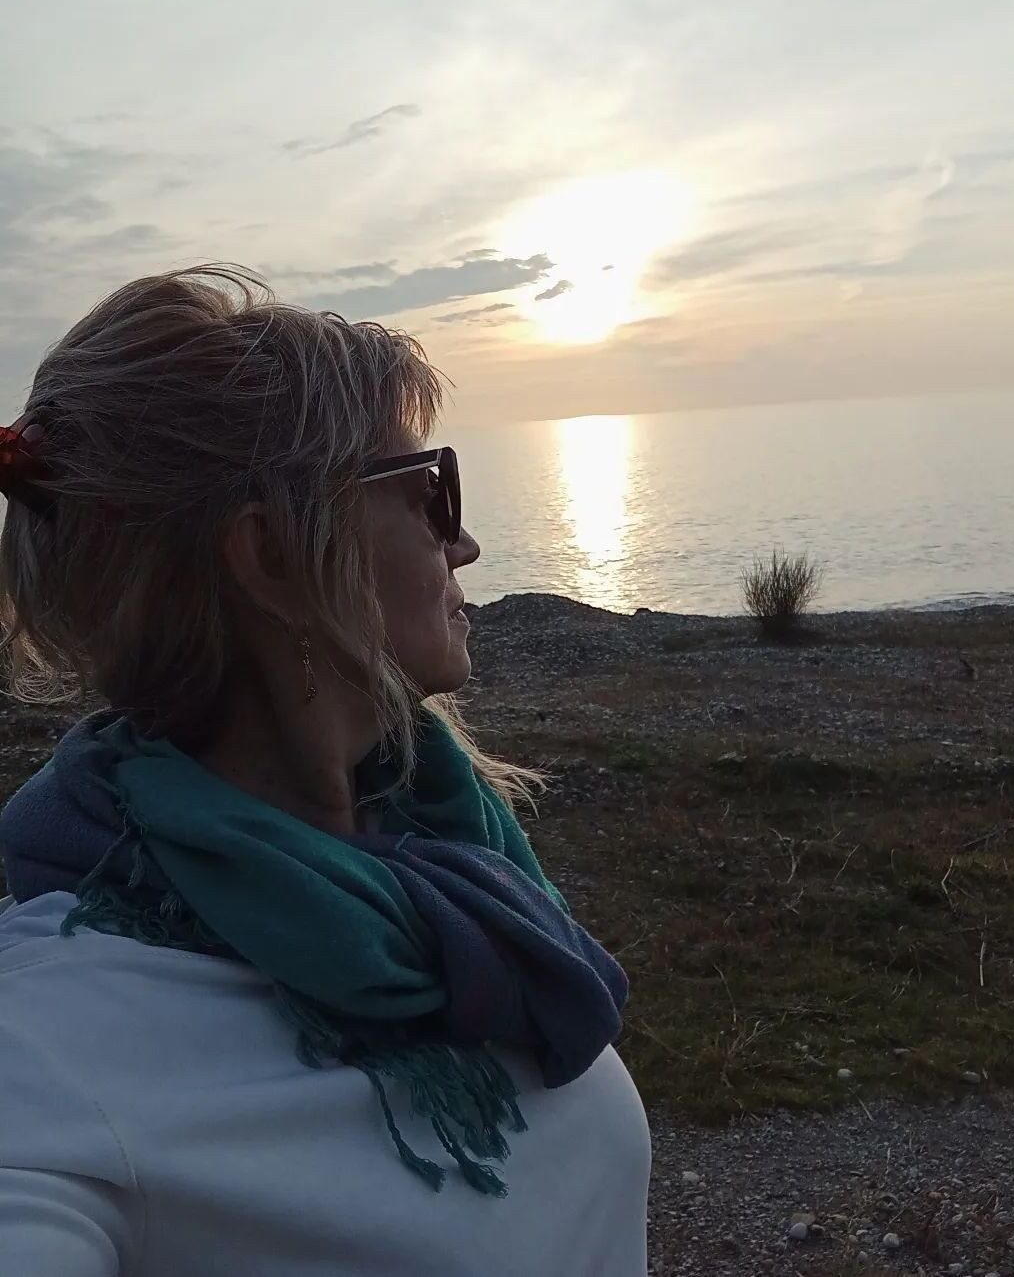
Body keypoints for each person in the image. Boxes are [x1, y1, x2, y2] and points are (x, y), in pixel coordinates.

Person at [0, 266, 651, 1276]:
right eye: (430, 491)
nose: (465, 542)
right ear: (274, 558)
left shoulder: (453, 869)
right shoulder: (50, 1049)